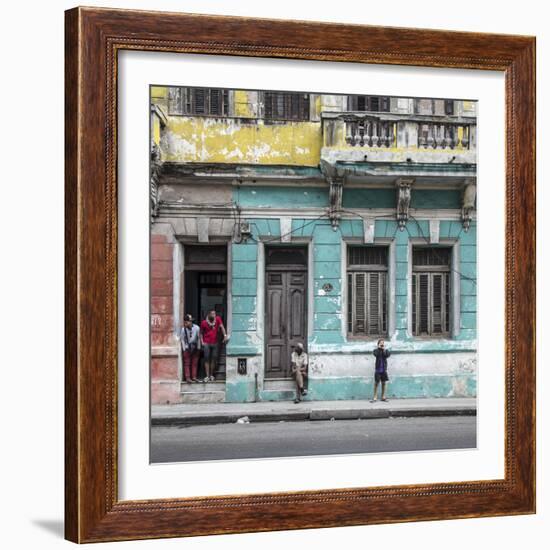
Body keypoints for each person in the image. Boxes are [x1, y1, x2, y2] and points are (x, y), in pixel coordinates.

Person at [200, 309, 228, 382]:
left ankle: (211, 375)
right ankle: (207, 376)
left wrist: (225, 335)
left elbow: (222, 327)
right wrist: (202, 341)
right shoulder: (204, 323)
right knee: (206, 359)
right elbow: (201, 333)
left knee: (213, 359)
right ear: (209, 315)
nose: (214, 315)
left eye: (214, 314)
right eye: (212, 314)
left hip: (215, 343)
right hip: (206, 343)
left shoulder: (218, 319)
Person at [180, 314, 200, 383]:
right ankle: (188, 377)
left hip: (195, 347)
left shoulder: (197, 328)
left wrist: (198, 347)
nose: (186, 323)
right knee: (187, 363)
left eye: (187, 322)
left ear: (190, 322)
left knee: (194, 363)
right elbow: (182, 339)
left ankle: (194, 377)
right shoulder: (183, 330)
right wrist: (184, 348)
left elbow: (198, 338)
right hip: (187, 348)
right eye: (185, 322)